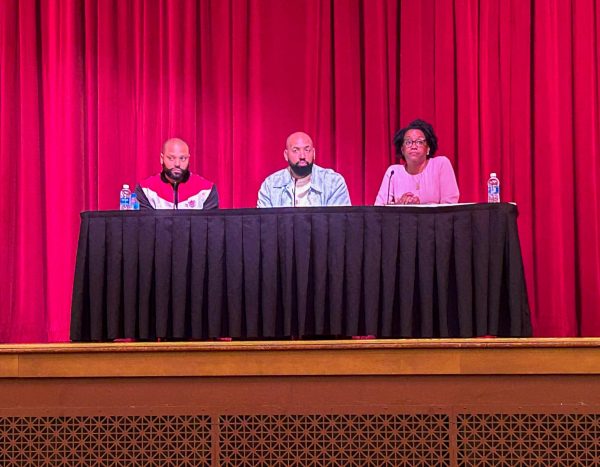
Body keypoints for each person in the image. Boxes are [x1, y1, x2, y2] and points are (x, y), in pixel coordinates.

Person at [374, 119, 459, 205]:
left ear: (428, 148)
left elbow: (449, 206)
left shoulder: (441, 164)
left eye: (419, 142)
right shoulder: (393, 172)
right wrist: (399, 205)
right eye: (408, 142)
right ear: (402, 149)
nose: (413, 146)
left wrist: (419, 209)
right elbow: (379, 209)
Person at [257, 131, 351, 207]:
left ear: (314, 153)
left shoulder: (333, 182)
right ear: (286, 155)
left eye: (307, 150)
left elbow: (339, 224)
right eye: (295, 150)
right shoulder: (270, 185)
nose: (302, 156)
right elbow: (264, 225)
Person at [135, 137, 218, 209]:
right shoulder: (146, 189)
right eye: (171, 158)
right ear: (162, 158)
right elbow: (145, 225)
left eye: (182, 158)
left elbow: (210, 225)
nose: (177, 164)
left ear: (189, 159)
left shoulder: (206, 190)